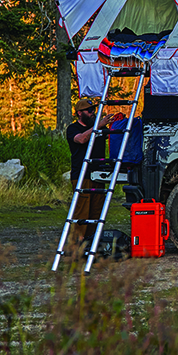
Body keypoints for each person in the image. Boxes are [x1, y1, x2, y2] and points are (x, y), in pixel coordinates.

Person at [66, 98, 113, 247]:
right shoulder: (72, 129)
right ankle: (76, 246)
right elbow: (81, 139)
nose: (93, 113)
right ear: (80, 113)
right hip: (82, 176)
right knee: (81, 213)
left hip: (99, 175)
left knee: (96, 212)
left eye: (94, 110)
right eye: (90, 110)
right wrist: (98, 126)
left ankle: (92, 244)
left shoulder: (97, 128)